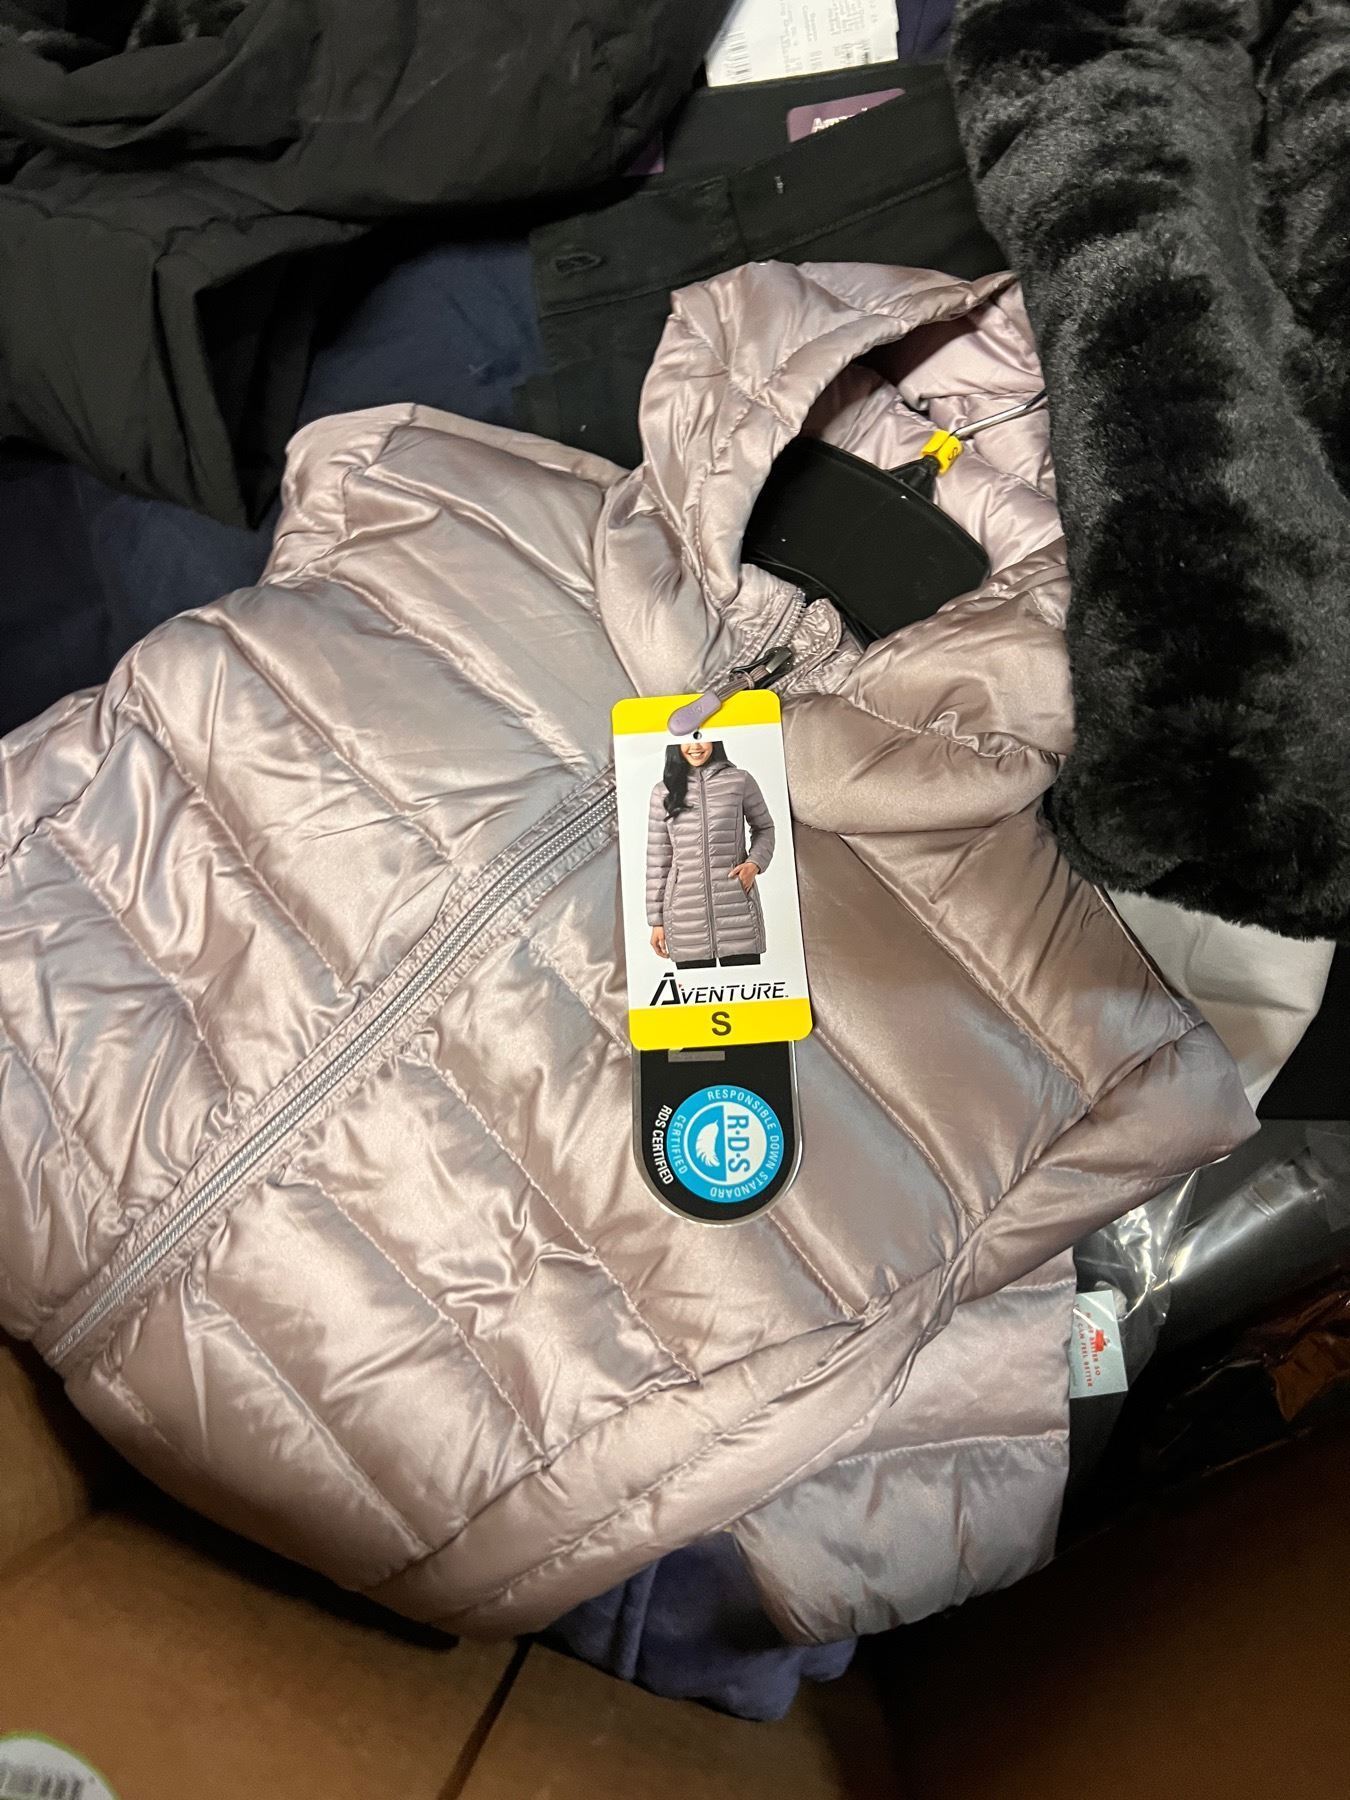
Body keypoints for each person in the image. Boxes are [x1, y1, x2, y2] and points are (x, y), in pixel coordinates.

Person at [645, 739, 775, 970]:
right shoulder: (663, 791)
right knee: (695, 989)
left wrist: (754, 864)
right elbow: (658, 860)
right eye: (687, 740)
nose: (695, 746)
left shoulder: (739, 780)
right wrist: (657, 922)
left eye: (700, 738)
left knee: (744, 985)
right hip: (684, 917)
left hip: (737, 909)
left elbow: (764, 828)